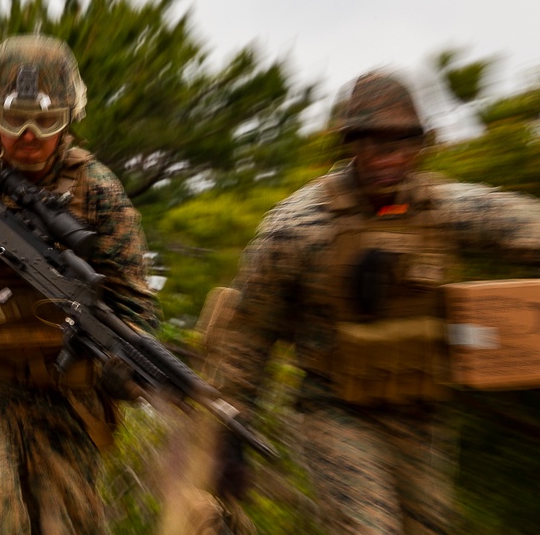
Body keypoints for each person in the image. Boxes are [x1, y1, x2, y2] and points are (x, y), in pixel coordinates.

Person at [207, 70, 540, 534]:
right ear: (350, 144)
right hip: (335, 410)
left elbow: (523, 226)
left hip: (420, 413)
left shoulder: (441, 207)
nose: (391, 157)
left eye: (404, 143)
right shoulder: (297, 227)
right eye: (376, 143)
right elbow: (249, 334)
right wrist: (230, 430)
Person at [0, 34, 162, 534]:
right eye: (12, 119)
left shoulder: (98, 189)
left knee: (71, 522)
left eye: (47, 121)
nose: (28, 135)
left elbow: (133, 299)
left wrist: (123, 364)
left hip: (65, 392)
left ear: (70, 118)